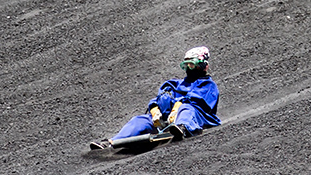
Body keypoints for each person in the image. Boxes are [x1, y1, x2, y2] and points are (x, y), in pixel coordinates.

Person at [91, 46, 220, 149]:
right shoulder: (173, 84)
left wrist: (177, 107)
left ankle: (183, 127)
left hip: (195, 118)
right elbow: (159, 99)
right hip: (165, 119)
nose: (189, 68)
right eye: (186, 65)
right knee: (139, 120)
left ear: (203, 65)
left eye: (192, 65)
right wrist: (155, 109)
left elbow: (198, 102)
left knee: (187, 108)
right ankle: (112, 142)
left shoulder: (208, 85)